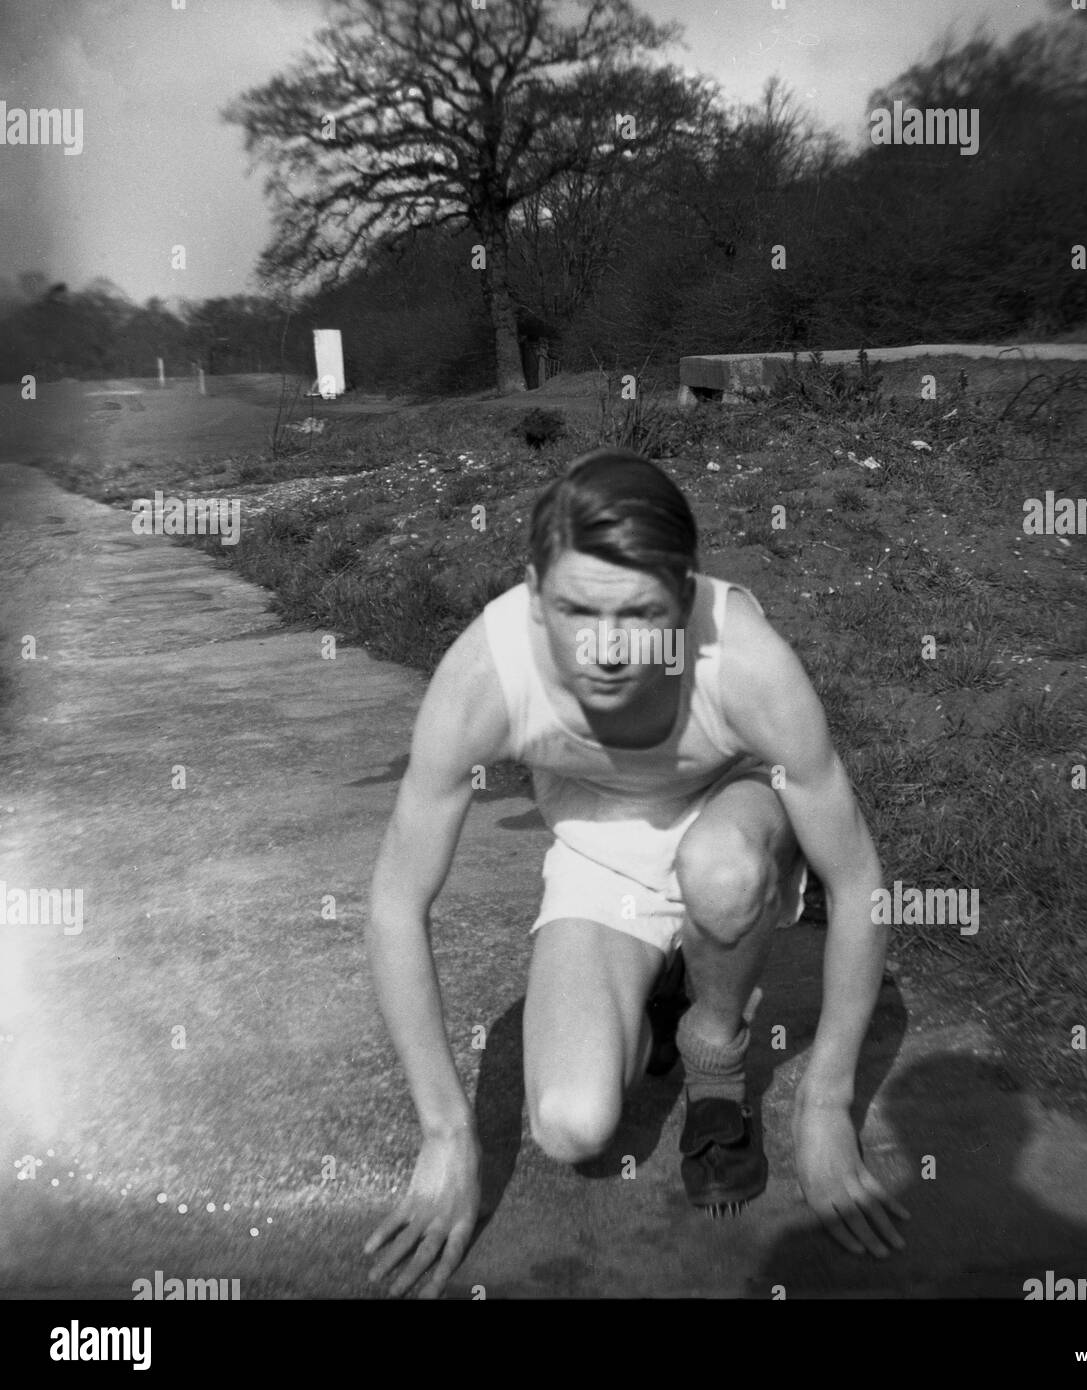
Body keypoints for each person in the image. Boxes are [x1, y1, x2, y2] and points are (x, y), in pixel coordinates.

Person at [363, 447, 908, 1297]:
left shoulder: (746, 661)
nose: (610, 651)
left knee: (721, 874)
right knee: (572, 1127)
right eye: (579, 612)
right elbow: (398, 902)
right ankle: (657, 985)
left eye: (643, 615)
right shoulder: (486, 674)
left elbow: (858, 880)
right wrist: (445, 1135)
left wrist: (827, 1103)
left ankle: (715, 1044)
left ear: (686, 594)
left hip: (728, 817)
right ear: (534, 593)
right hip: (597, 849)